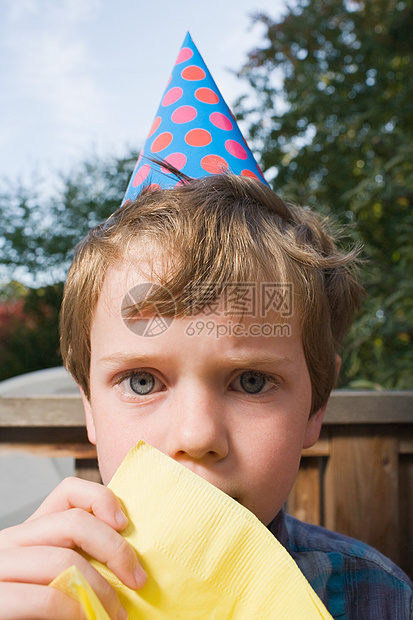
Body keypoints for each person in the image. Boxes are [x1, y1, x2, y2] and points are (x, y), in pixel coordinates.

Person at [0, 173, 412, 619]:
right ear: (90, 408)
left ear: (318, 403)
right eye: (142, 381)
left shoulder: (377, 598)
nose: (197, 436)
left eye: (251, 381)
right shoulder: (31, 594)